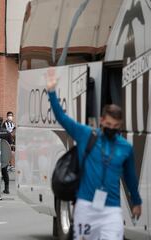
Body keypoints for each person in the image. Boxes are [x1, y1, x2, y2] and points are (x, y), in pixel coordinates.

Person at [46, 68, 142, 239]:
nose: (112, 129)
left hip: (111, 209)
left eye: (116, 127)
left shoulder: (125, 147)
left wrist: (136, 201)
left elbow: (130, 177)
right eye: (109, 125)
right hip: (86, 206)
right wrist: (52, 92)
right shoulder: (86, 134)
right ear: (102, 120)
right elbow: (62, 117)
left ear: (120, 125)